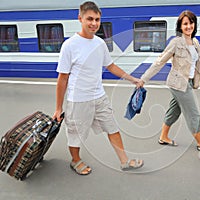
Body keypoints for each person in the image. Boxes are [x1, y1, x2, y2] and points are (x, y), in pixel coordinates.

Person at [52, 1, 143, 175]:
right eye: (90, 19)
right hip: (78, 100)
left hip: (99, 97)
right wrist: (58, 108)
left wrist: (132, 79)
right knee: (75, 135)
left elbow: (111, 66)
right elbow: (62, 79)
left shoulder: (100, 43)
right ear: (80, 18)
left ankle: (124, 161)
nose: (94, 23)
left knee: (113, 128)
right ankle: (75, 160)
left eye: (97, 19)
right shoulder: (70, 45)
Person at [136, 10, 200, 153]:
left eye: (191, 23)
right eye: (185, 24)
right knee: (194, 114)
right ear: (180, 26)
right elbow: (160, 62)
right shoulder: (176, 42)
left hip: (187, 82)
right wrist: (143, 79)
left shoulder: (195, 42)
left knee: (174, 111)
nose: (189, 26)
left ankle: (163, 136)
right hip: (178, 84)